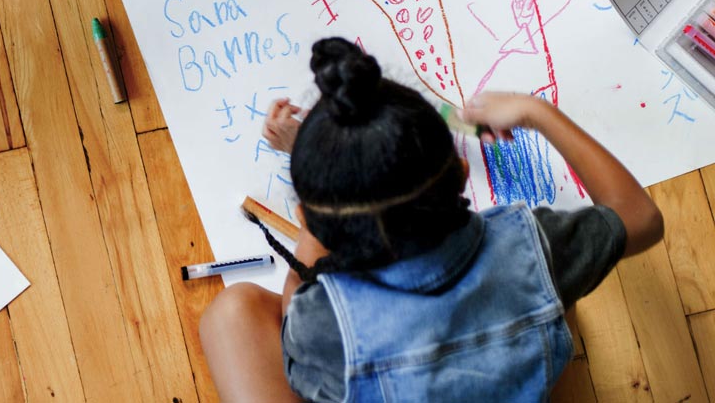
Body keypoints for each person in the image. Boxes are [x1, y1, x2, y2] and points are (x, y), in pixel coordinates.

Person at [200, 38, 664, 403]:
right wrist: (536, 112)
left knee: (231, 313)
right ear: (462, 175)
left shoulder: (324, 325)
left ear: (310, 221)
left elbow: (293, 306)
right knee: (553, 287)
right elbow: (640, 218)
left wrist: (312, 208)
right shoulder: (534, 247)